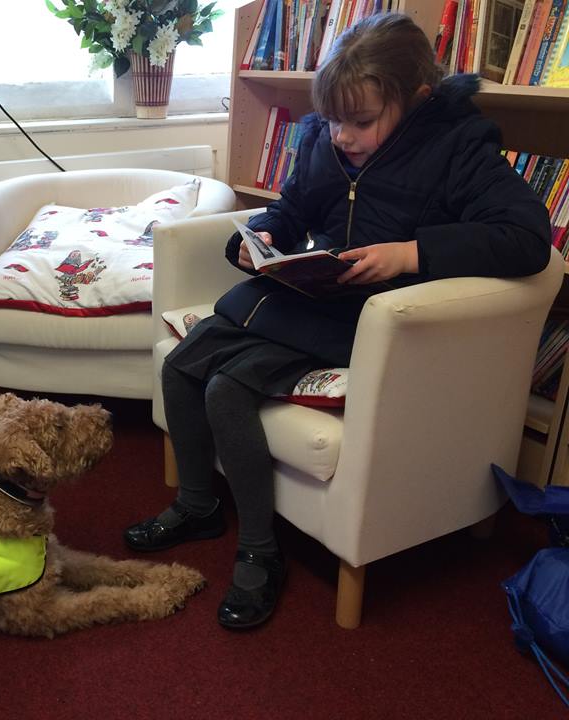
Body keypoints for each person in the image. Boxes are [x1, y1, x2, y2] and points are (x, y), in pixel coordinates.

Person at [123, 12, 553, 630]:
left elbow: (527, 239)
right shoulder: (327, 141)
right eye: (331, 120)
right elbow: (294, 208)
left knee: (226, 388)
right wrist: (261, 236)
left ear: (417, 99)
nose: (342, 135)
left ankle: (261, 553)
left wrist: (412, 253)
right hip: (309, 291)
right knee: (183, 362)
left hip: (374, 319)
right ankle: (198, 506)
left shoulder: (458, 147)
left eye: (361, 121)